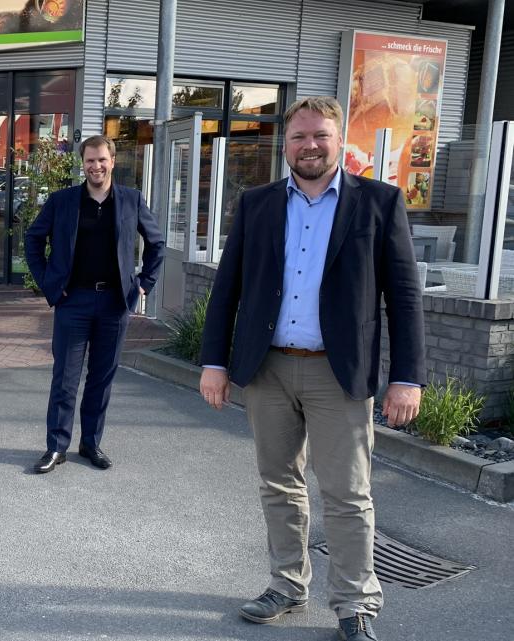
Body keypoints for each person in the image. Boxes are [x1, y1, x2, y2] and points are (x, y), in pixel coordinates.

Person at [199, 96, 424, 641]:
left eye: (320, 135)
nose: (309, 146)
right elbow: (227, 288)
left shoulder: (379, 203)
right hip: (270, 367)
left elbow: (404, 295)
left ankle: (354, 603)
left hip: (339, 374)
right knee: (278, 482)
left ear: (339, 140)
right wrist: (214, 362)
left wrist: (407, 376)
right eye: (299, 136)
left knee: (348, 493)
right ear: (286, 144)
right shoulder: (257, 203)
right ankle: (287, 583)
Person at [24, 135, 164, 474]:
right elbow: (32, 239)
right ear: (82, 164)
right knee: (65, 378)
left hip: (115, 304)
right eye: (90, 161)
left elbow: (156, 243)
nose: (96, 166)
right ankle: (57, 447)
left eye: (102, 160)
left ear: (112, 161)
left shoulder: (131, 200)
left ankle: (90, 444)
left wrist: (144, 283)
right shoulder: (63, 201)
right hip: (74, 302)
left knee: (101, 378)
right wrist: (49, 283)